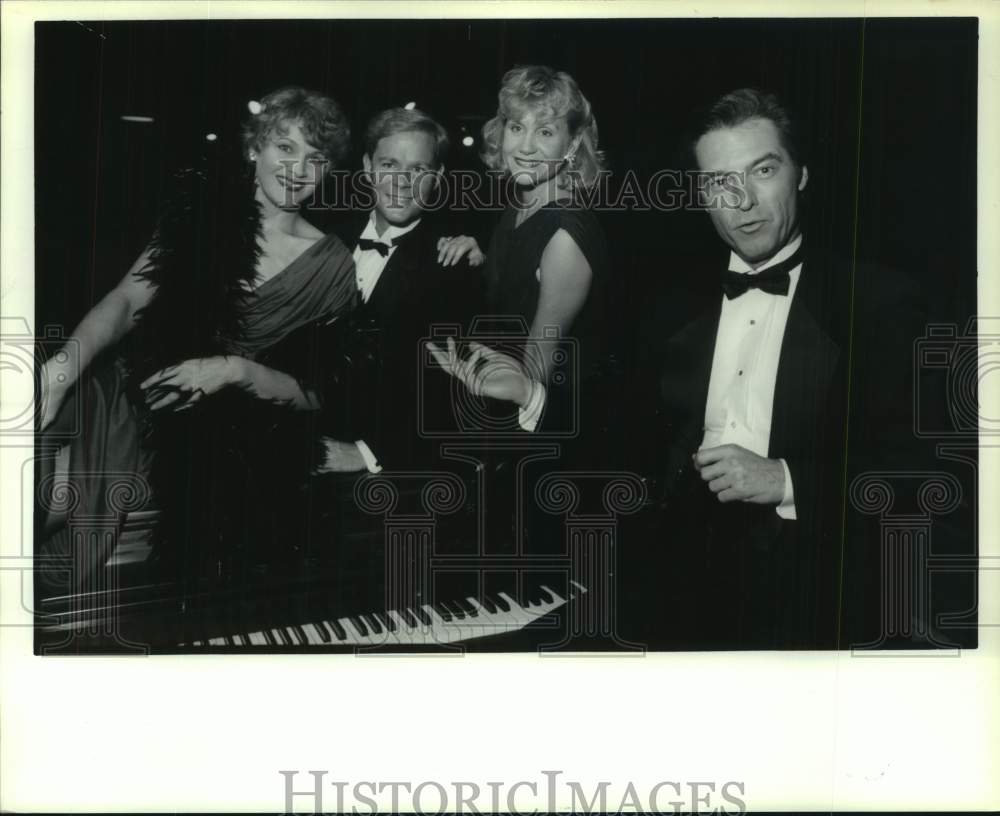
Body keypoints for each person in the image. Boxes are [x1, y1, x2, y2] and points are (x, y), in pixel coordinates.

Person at [633, 88, 929, 649]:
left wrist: (786, 480)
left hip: (816, 586)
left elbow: (923, 477)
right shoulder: (665, 304)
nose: (741, 199)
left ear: (802, 175)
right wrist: (533, 394)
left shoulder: (882, 302)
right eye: (719, 181)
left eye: (762, 169)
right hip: (677, 582)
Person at [36, 86, 358, 593]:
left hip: (207, 433)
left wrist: (232, 370)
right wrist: (59, 371)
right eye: (285, 147)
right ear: (255, 148)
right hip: (121, 395)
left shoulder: (333, 264)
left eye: (315, 157)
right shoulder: (198, 213)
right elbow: (124, 302)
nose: (297, 168)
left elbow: (315, 393)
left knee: (54, 503)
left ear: (328, 169)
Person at [428, 65, 615, 452]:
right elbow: (513, 298)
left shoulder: (565, 235)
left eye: (545, 132)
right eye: (517, 128)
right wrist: (480, 259)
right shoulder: (520, 207)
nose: (525, 147)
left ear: (572, 142)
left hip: (550, 440)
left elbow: (536, 373)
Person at [305, 105, 483, 476]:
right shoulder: (324, 239)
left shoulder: (453, 264)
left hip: (389, 473)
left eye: (418, 169)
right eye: (389, 165)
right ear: (368, 168)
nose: (402, 181)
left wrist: (368, 454)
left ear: (437, 177)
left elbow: (453, 394)